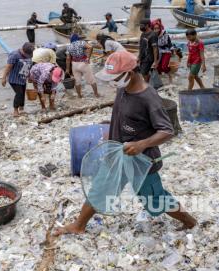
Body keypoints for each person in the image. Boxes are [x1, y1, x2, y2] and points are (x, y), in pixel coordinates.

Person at [53, 51, 197, 236]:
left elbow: (167, 130)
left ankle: (190, 221)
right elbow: (124, 114)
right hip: (117, 153)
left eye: (115, 77)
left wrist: (142, 144)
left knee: (155, 199)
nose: (112, 82)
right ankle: (79, 225)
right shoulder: (122, 88)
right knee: (100, 188)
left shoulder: (148, 97)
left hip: (142, 160)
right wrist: (112, 126)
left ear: (130, 73)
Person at [1, 43, 34, 117]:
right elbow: (8, 67)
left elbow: (29, 66)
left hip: (23, 78)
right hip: (14, 79)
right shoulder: (14, 55)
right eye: (27, 54)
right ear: (23, 50)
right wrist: (4, 78)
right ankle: (15, 111)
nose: (29, 55)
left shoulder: (30, 53)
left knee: (22, 93)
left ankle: (21, 108)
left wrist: (29, 76)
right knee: (19, 93)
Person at [152, 19, 173, 83]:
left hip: (166, 51)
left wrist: (172, 51)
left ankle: (170, 75)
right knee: (158, 68)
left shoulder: (165, 34)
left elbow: (169, 44)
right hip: (158, 52)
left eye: (157, 28)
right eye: (154, 29)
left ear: (160, 28)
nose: (156, 30)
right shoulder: (152, 36)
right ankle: (160, 81)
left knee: (164, 66)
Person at [138, 19, 159, 83]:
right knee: (143, 71)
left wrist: (155, 61)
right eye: (140, 25)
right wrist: (139, 57)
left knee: (144, 72)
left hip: (149, 57)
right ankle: (148, 81)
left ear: (147, 25)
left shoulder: (153, 35)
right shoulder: (143, 34)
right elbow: (141, 46)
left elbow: (155, 49)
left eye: (142, 26)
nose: (140, 27)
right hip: (143, 56)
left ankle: (146, 85)